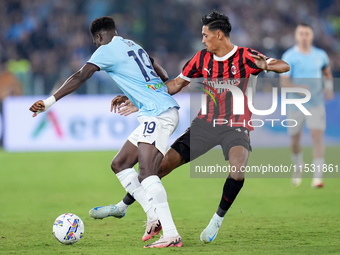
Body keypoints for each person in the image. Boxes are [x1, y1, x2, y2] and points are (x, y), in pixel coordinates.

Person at [89, 10, 290, 243]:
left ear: (219, 35)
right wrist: (138, 99)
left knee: (238, 168)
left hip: (236, 125)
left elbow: (283, 66)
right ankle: (122, 206)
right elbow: (174, 84)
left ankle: (216, 220)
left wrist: (269, 65)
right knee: (159, 167)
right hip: (205, 125)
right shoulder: (201, 59)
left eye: (206, 35)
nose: (203, 40)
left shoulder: (246, 56)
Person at [29, 16, 183, 248]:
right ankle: (153, 216)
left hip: (157, 114)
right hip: (158, 110)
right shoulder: (132, 45)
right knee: (120, 164)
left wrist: (49, 101)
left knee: (148, 173)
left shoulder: (105, 49)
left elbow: (81, 75)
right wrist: (134, 94)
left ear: (99, 37)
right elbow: (160, 74)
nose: (97, 47)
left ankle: (171, 234)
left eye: (96, 43)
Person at [280, 23, 334, 188]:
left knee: (317, 136)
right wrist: (301, 89)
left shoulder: (320, 55)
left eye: (307, 34)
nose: (304, 37)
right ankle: (298, 165)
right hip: (295, 105)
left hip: (316, 103)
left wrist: (329, 87)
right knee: (294, 139)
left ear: (311, 36)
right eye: (301, 34)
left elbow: (327, 73)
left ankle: (317, 178)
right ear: (296, 36)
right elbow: (284, 83)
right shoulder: (289, 57)